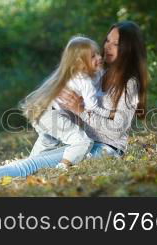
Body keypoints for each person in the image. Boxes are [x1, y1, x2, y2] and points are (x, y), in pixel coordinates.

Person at [0, 20, 148, 188]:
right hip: (82, 140)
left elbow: (116, 129)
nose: (107, 47)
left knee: (29, 166)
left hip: (105, 149)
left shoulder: (129, 84)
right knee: (30, 162)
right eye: (107, 40)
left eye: (115, 44)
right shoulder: (100, 72)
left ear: (128, 48)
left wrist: (81, 110)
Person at [20, 35, 111, 170]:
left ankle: (28, 165)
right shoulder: (84, 80)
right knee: (82, 141)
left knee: (48, 142)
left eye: (98, 53)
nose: (99, 57)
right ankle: (62, 167)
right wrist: (109, 113)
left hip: (45, 114)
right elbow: (92, 107)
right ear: (80, 63)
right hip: (52, 116)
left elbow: (102, 81)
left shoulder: (92, 74)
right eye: (93, 56)